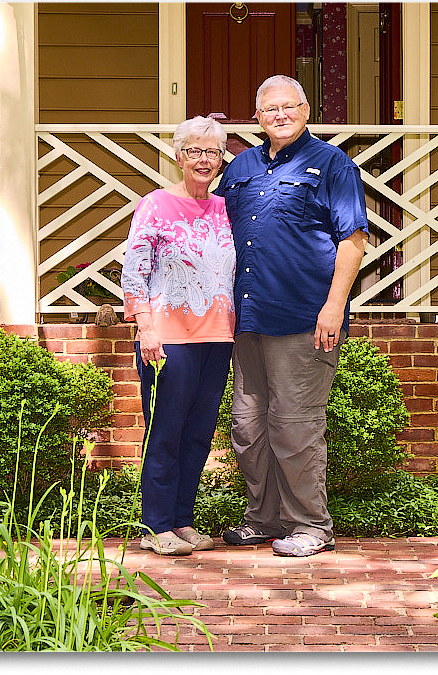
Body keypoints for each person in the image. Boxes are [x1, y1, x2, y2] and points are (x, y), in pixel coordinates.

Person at [215, 75, 368, 557]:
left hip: (304, 316)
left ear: (305, 110)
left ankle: (311, 525)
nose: (280, 115)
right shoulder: (239, 166)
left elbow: (353, 240)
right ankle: (263, 518)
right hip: (248, 317)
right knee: (248, 425)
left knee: (296, 424)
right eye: (269, 109)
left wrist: (334, 306)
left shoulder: (332, 165)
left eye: (289, 106)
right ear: (257, 117)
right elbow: (215, 231)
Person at [121, 116, 235, 556]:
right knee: (165, 430)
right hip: (167, 336)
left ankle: (183, 520)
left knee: (199, 432)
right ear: (178, 156)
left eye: (212, 151)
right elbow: (135, 271)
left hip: (217, 337)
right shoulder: (155, 205)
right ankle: (156, 524)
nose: (204, 160)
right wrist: (145, 326)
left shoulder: (226, 208)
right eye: (194, 151)